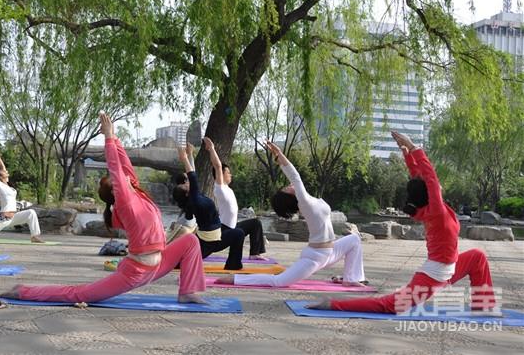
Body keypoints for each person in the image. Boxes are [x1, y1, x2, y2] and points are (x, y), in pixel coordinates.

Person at [0, 112, 206, 304]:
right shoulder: (126, 203)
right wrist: (108, 138)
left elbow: (123, 163)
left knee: (190, 241)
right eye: (120, 181)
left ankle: (187, 292)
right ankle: (23, 291)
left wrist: (115, 139)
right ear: (117, 190)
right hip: (137, 271)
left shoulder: (136, 193)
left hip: (159, 263)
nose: (127, 176)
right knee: (79, 294)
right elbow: (116, 167)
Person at [308, 131, 495, 313]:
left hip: (450, 269)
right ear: (430, 193)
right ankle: (332, 304)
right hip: (434, 277)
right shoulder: (437, 211)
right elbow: (429, 176)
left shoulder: (427, 208)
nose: (436, 185)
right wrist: (413, 147)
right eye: (433, 187)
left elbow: (420, 178)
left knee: (478, 257)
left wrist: (407, 155)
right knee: (389, 305)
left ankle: (483, 305)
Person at [215, 140, 365, 287]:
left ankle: (350, 279)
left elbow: (296, 180)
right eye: (287, 188)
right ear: (290, 197)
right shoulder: (304, 202)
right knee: (279, 281)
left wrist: (279, 155)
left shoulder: (309, 198)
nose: (289, 185)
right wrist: (279, 155)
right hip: (315, 257)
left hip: (331, 251)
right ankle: (236, 279)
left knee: (354, 240)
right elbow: (294, 175)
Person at [172, 142, 246, 270]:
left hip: (207, 237)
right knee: (238, 233)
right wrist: (184, 158)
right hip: (212, 239)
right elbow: (192, 176)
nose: (187, 183)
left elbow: (192, 174)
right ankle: (233, 265)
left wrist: (190, 155)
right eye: (185, 185)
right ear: (186, 193)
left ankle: (175, 261)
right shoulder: (194, 199)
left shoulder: (193, 199)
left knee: (184, 260)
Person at [203, 136, 267, 260]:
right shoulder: (220, 188)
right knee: (239, 233)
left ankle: (254, 253)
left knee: (255, 223)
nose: (230, 174)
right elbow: (217, 166)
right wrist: (211, 149)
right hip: (223, 231)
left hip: (232, 227)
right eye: (228, 173)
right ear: (221, 175)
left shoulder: (228, 189)